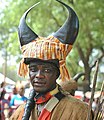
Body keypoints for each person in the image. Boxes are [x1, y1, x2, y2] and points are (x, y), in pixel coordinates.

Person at [10, 0, 93, 120]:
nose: (39, 75)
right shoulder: (20, 112)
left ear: (58, 73)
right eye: (33, 69)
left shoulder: (80, 111)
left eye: (47, 70)